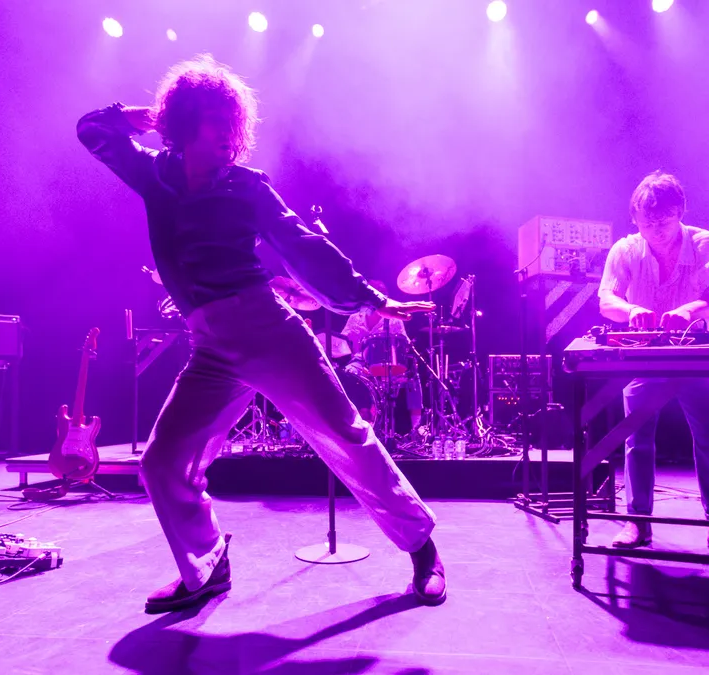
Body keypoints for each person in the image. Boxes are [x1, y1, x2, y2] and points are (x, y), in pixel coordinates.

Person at [76, 55, 447, 613]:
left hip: (269, 330)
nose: (228, 135)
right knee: (162, 462)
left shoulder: (247, 187)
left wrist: (371, 299)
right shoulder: (154, 174)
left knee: (346, 437)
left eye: (233, 124)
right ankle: (207, 565)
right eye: (215, 121)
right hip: (210, 347)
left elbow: (302, 244)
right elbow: (92, 129)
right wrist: (151, 116)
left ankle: (424, 549)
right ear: (186, 121)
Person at [597, 171, 709, 558]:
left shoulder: (706, 244)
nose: (655, 231)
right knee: (636, 439)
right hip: (645, 353)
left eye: (662, 222)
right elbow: (606, 300)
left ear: (680, 211)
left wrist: (688, 311)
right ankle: (637, 521)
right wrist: (631, 311)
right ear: (635, 219)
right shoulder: (626, 250)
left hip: (694, 352)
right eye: (646, 224)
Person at [341, 280, 425, 434]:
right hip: (360, 362)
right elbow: (343, 340)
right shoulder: (355, 317)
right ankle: (351, 421)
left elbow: (403, 343)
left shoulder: (393, 317)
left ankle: (416, 427)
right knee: (346, 374)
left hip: (387, 361)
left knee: (413, 375)